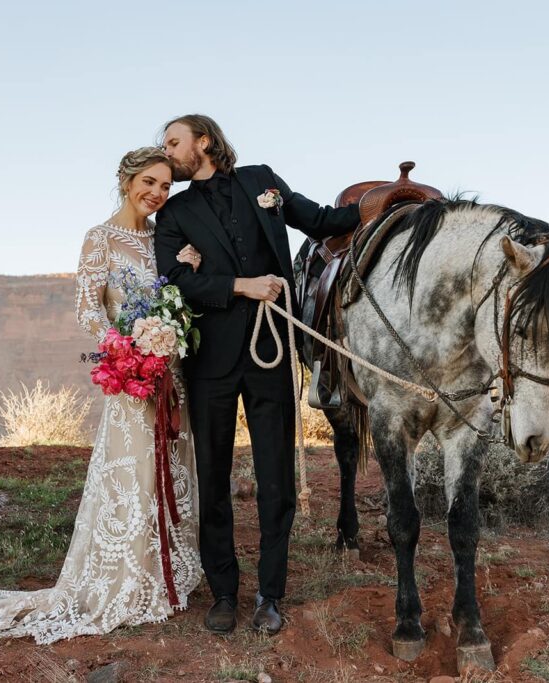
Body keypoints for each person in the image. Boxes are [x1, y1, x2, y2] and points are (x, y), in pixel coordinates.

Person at [0, 147, 203, 644]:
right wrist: (124, 347)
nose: (157, 193)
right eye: (149, 181)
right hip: (131, 374)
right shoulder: (100, 238)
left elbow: (179, 294)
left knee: (171, 466)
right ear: (126, 180)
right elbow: (88, 309)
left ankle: (171, 574)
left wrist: (187, 273)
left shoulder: (168, 236)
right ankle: (128, 577)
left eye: (166, 186)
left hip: (174, 375)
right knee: (134, 471)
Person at [154, 114, 360, 635]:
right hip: (212, 365)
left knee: (276, 480)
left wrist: (382, 204)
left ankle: (271, 594)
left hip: (272, 351)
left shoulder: (261, 179)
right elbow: (175, 281)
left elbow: (321, 220)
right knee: (213, 479)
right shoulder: (174, 212)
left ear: (203, 141)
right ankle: (224, 592)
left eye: (174, 142)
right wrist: (244, 286)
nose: (168, 151)